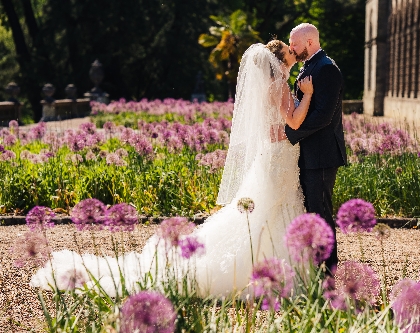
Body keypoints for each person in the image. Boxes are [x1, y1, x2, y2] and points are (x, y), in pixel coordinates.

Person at [30, 41, 317, 297]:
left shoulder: (272, 85)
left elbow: (273, 128)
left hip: (275, 157)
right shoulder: (279, 84)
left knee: (268, 211)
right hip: (278, 157)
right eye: (290, 51)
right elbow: (291, 123)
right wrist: (308, 96)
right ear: (280, 61)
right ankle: (281, 271)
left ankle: (281, 267)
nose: (295, 53)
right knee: (271, 210)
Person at [282, 23, 347, 270]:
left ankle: (328, 269)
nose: (291, 48)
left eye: (295, 43)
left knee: (320, 213)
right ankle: (314, 266)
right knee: (311, 211)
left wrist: (289, 133)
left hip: (322, 155)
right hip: (308, 154)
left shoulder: (327, 69)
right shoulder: (310, 66)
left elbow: (323, 117)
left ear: (309, 42)